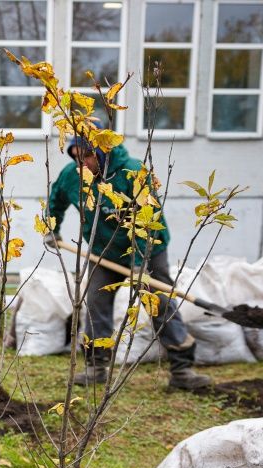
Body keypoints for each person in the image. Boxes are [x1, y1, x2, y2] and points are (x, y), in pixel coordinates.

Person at [46, 137, 212, 390]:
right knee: (96, 303)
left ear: (102, 151)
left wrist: (139, 262)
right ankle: (96, 367)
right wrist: (51, 227)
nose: (83, 164)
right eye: (77, 158)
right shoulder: (74, 175)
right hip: (104, 251)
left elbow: (148, 219)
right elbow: (56, 198)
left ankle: (182, 371)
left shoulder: (132, 173)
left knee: (160, 302)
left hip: (149, 248)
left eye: (88, 156)